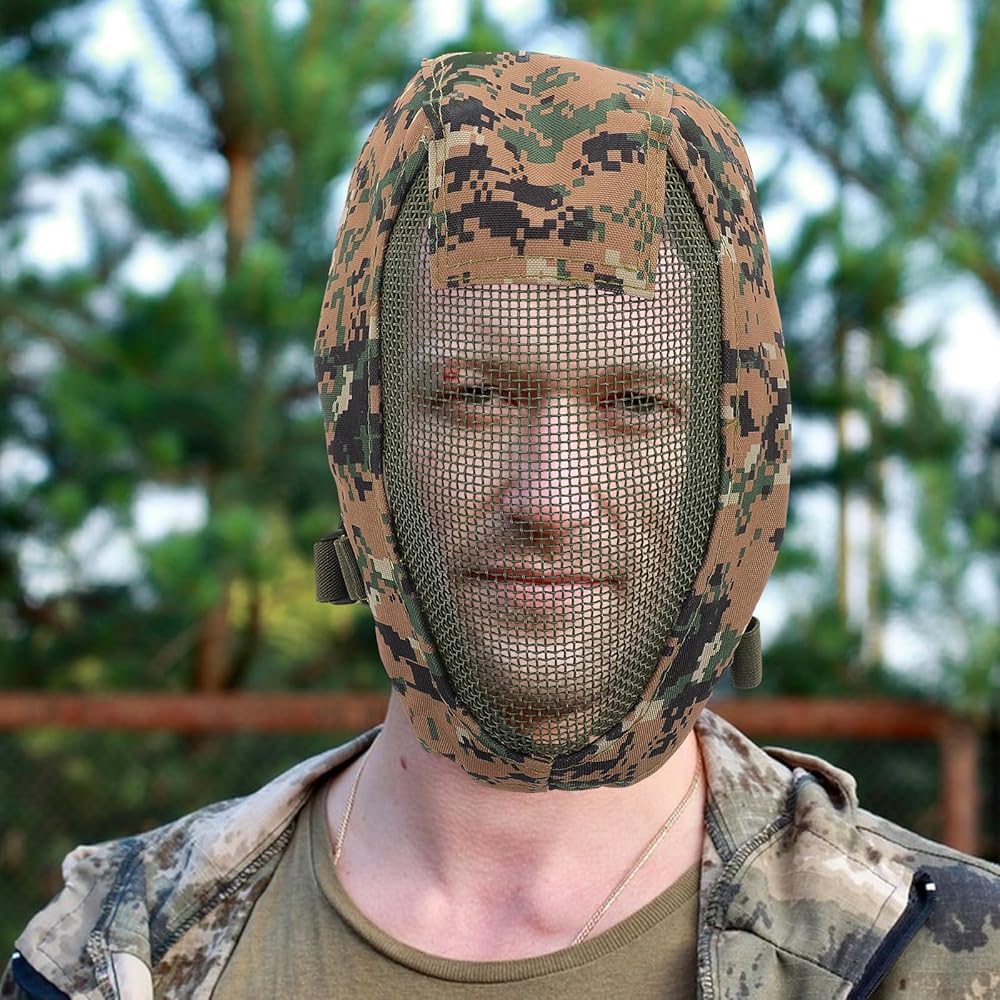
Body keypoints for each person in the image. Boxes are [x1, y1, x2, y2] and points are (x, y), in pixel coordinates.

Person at [4, 51, 998, 999]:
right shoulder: (115, 955)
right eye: (474, 396)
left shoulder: (947, 955)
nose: (547, 499)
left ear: (732, 447)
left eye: (634, 405)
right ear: (367, 432)